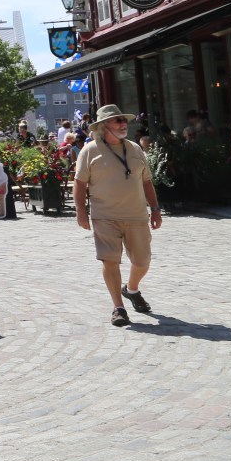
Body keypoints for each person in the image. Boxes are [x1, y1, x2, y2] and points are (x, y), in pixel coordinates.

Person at [73, 105, 162, 327]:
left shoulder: (135, 149)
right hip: (104, 216)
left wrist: (156, 208)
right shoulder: (89, 151)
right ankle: (118, 308)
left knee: (142, 261)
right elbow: (80, 183)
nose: (123, 124)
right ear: (104, 127)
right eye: (117, 121)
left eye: (124, 120)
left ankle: (131, 289)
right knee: (110, 260)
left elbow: (146, 181)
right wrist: (81, 212)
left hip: (137, 215)